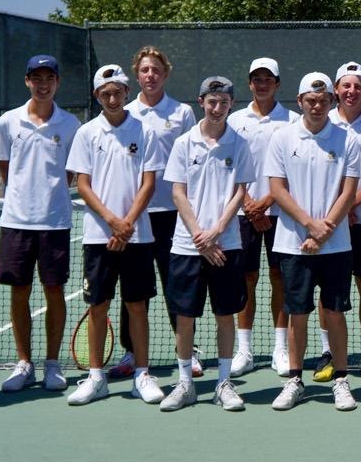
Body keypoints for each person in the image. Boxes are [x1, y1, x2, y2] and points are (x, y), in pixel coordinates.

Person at [65, 65, 166, 406]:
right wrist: (112, 222)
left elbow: (149, 183)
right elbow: (82, 184)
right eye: (104, 93)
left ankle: (142, 374)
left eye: (117, 91)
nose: (111, 98)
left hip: (137, 236)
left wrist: (127, 224)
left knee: (137, 306)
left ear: (126, 91)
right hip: (98, 237)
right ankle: (96, 378)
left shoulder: (145, 131)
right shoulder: (87, 133)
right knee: (98, 306)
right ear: (97, 96)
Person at [265, 73, 361, 411]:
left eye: (323, 101)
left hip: (336, 246)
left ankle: (340, 380)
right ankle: (294, 380)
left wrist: (326, 229)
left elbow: (349, 191)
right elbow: (277, 189)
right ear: (300, 101)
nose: (317, 106)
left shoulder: (347, 140)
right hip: (294, 245)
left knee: (334, 314)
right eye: (311, 100)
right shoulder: (281, 138)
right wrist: (309, 226)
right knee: (298, 315)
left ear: (331, 102)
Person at [159, 76, 254, 412]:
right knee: (185, 318)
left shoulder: (239, 144)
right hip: (187, 246)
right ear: (201, 102)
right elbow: (177, 192)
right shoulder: (184, 143)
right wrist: (200, 235)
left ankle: (223, 383)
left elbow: (241, 192)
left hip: (226, 246)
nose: (217, 108)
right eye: (212, 101)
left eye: (224, 102)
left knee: (225, 314)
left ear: (231, 105)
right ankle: (185, 384)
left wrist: (216, 231)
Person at [0, 55, 81, 393]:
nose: (43, 84)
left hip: (55, 221)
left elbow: (71, 172)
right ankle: (24, 363)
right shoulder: (7, 122)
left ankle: (53, 364)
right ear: (27, 80)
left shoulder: (71, 124)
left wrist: (48, 193)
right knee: (20, 292)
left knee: (54, 291)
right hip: (16, 221)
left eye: (50, 77)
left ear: (57, 82)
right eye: (36, 77)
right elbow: (6, 169)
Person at [111, 47, 196, 379]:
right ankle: (131, 353)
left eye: (156, 70)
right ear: (137, 74)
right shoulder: (124, 112)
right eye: (145, 70)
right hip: (135, 217)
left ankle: (185, 351)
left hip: (172, 214)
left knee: (177, 285)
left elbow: (191, 160)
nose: (150, 75)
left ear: (165, 74)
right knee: (134, 289)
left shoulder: (182, 112)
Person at [314, 61, 361, 382]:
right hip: (329, 222)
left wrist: (351, 204)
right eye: (346, 85)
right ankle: (328, 353)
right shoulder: (322, 121)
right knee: (328, 289)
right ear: (336, 90)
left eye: (357, 86)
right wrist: (338, 212)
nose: (351, 91)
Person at [228, 58, 299, 377]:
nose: (262, 83)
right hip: (243, 212)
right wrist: (249, 204)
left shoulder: (293, 121)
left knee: (279, 279)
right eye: (256, 78)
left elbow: (293, 170)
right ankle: (244, 350)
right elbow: (229, 167)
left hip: (281, 212)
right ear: (249, 83)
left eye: (268, 78)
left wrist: (267, 201)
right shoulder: (234, 120)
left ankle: (280, 349)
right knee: (246, 279)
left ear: (278, 83)